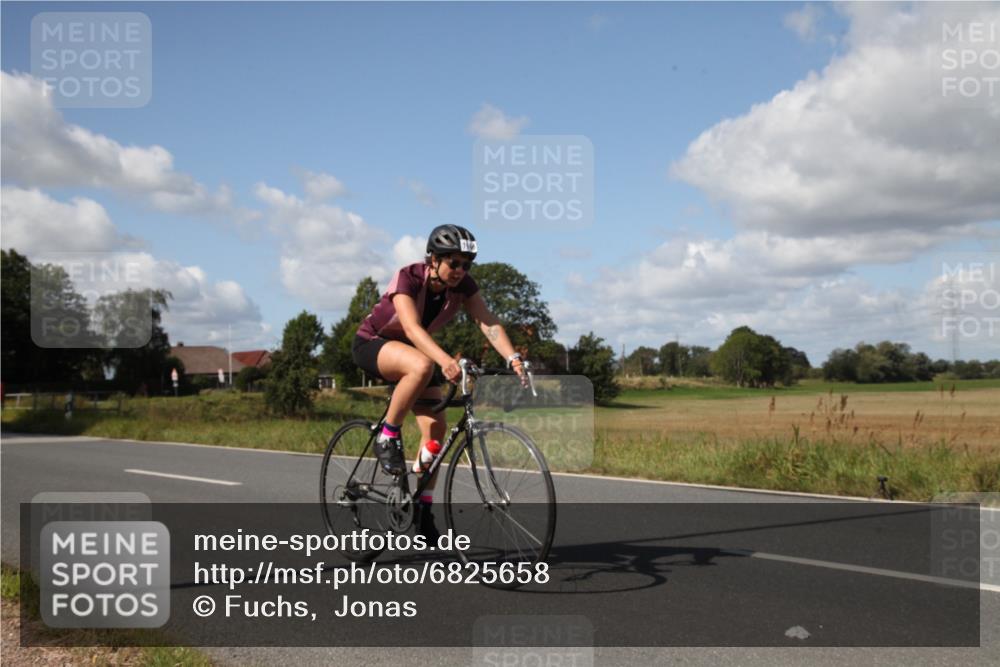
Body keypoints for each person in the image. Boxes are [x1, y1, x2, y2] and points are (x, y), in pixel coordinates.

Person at [352, 224, 527, 538]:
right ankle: (387, 436)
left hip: (415, 353)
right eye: (453, 262)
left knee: (435, 429)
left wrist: (513, 358)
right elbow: (412, 329)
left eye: (466, 265)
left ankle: (422, 509)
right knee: (421, 364)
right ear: (433, 259)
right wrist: (445, 360)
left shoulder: (463, 287)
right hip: (374, 344)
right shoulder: (409, 277)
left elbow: (487, 322)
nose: (460, 270)